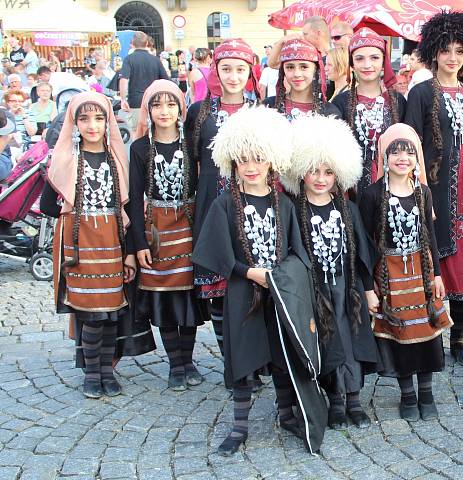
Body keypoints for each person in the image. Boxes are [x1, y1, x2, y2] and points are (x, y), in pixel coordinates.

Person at [193, 106, 326, 456]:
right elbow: (216, 251)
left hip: (279, 294)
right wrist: (248, 273)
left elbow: (299, 253)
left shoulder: (284, 204)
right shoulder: (224, 204)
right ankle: (239, 425)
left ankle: (286, 413)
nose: (251, 168)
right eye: (244, 161)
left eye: (259, 160)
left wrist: (282, 278)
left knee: (283, 352)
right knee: (243, 355)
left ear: (272, 163)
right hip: (243, 291)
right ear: (232, 164)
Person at [40, 91, 155, 399]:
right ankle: (92, 374)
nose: (92, 125)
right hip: (80, 244)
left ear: (108, 122)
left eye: (99, 118)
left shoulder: (117, 159)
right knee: (91, 313)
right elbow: (48, 206)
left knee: (110, 312)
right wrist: (63, 188)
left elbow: (130, 210)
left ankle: (107, 370)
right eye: (84, 118)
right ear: (74, 123)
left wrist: (130, 253)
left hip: (112, 243)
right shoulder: (65, 158)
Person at [283, 114, 379, 429]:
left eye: (327, 171)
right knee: (327, 343)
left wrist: (367, 290)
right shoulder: (295, 212)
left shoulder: (347, 210)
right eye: (313, 170)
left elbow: (361, 254)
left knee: (352, 341)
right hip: (316, 293)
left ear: (338, 174)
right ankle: (335, 401)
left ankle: (354, 400)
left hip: (346, 288)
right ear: (301, 172)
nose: (320, 178)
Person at [405, 11, 463, 368]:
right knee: (434, 263)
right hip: (434, 189)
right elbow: (411, 142)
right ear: (434, 52)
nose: (453, 58)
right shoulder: (421, 93)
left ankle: (459, 339)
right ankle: (430, 334)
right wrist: (417, 188)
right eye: (446, 50)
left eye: (460, 51)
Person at [359, 123, 452, 421]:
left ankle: (426, 391)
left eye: (409, 152)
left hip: (421, 270)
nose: (402, 157)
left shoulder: (423, 192)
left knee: (426, 331)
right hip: (389, 273)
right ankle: (407, 395)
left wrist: (437, 274)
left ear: (417, 157)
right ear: (384, 156)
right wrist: (369, 288)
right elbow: (365, 242)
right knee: (400, 332)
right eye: (395, 151)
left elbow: (431, 235)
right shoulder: (373, 195)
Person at [187, 38, 262, 356]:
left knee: (251, 284)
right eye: (226, 68)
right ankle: (230, 361)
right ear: (216, 70)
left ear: (249, 73)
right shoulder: (198, 113)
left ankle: (253, 359)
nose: (233, 76)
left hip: (251, 205)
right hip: (211, 204)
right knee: (219, 286)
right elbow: (191, 162)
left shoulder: (261, 112)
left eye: (240, 69)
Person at [128, 80, 204, 391]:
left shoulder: (192, 144)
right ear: (148, 110)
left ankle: (189, 360)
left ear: (180, 108)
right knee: (165, 298)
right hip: (156, 229)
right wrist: (138, 243)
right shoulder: (140, 148)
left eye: (171, 104)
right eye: (157, 105)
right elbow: (133, 198)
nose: (164, 111)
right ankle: (175, 365)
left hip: (188, 227)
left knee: (186, 297)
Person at [332, 28, 407, 198]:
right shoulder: (341, 103)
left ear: (383, 62)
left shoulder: (398, 102)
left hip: (393, 189)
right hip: (353, 191)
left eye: (374, 58)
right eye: (360, 58)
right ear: (351, 64)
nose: (367, 65)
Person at [266, 39, 340, 120]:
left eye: (304, 67)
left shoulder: (330, 113)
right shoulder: (268, 107)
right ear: (283, 70)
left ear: (315, 69)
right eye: (290, 67)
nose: (297, 74)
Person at [119, 31, 170, 133]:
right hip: (154, 100)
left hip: (136, 101)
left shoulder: (129, 59)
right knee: (156, 131)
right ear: (147, 44)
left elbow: (124, 79)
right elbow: (165, 80)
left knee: (137, 131)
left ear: (132, 44)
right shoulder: (155, 60)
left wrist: (123, 99)